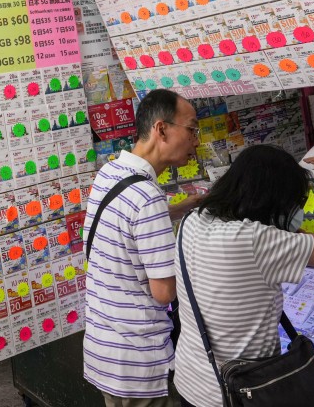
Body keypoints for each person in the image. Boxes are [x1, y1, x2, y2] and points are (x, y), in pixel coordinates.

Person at [172, 146, 314, 407]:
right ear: (273, 199)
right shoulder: (255, 239)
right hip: (239, 392)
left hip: (191, 381)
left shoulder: (192, 220)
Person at [83, 89, 202, 407]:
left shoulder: (110, 174)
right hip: (138, 362)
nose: (196, 141)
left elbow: (125, 227)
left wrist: (180, 208)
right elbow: (164, 292)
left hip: (103, 346)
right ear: (162, 129)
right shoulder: (147, 196)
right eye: (191, 129)